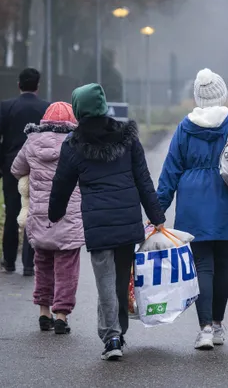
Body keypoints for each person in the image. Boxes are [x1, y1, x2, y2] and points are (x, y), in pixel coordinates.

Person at [157, 68, 228, 350]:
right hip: (227, 200)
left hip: (193, 204)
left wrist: (157, 211)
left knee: (202, 267)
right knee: (222, 265)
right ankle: (219, 326)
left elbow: (170, 170)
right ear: (221, 93)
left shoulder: (185, 127)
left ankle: (205, 329)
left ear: (198, 97)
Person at [48, 84, 165, 361]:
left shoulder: (74, 144)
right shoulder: (127, 138)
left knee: (106, 281)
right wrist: (157, 216)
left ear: (79, 109)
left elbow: (62, 183)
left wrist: (54, 213)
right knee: (120, 279)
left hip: (98, 223)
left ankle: (112, 336)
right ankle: (117, 332)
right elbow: (143, 179)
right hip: (126, 221)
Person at [11, 102, 83, 335]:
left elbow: (16, 169)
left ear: (44, 120)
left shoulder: (32, 141)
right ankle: (61, 315)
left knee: (42, 263)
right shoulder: (77, 143)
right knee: (67, 268)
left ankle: (44, 312)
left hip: (40, 216)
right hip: (68, 215)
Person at [0, 68, 50, 276]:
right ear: (38, 86)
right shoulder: (46, 108)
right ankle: (29, 264)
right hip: (38, 168)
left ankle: (8, 261)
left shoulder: (7, 107)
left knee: (12, 213)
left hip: (11, 169)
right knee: (34, 213)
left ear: (19, 85)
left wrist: (1, 165)